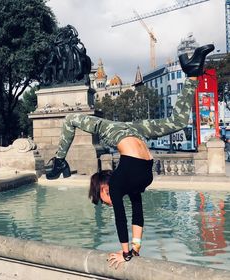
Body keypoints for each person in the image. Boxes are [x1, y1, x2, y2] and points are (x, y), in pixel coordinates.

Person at [45, 44, 215, 268]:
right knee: (178, 121)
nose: (106, 204)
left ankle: (59, 162)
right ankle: (192, 73)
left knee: (71, 120)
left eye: (102, 200)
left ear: (103, 188)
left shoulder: (117, 184)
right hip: (134, 130)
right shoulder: (127, 183)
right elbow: (137, 215)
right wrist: (134, 249)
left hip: (127, 146)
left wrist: (126, 254)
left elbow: (121, 219)